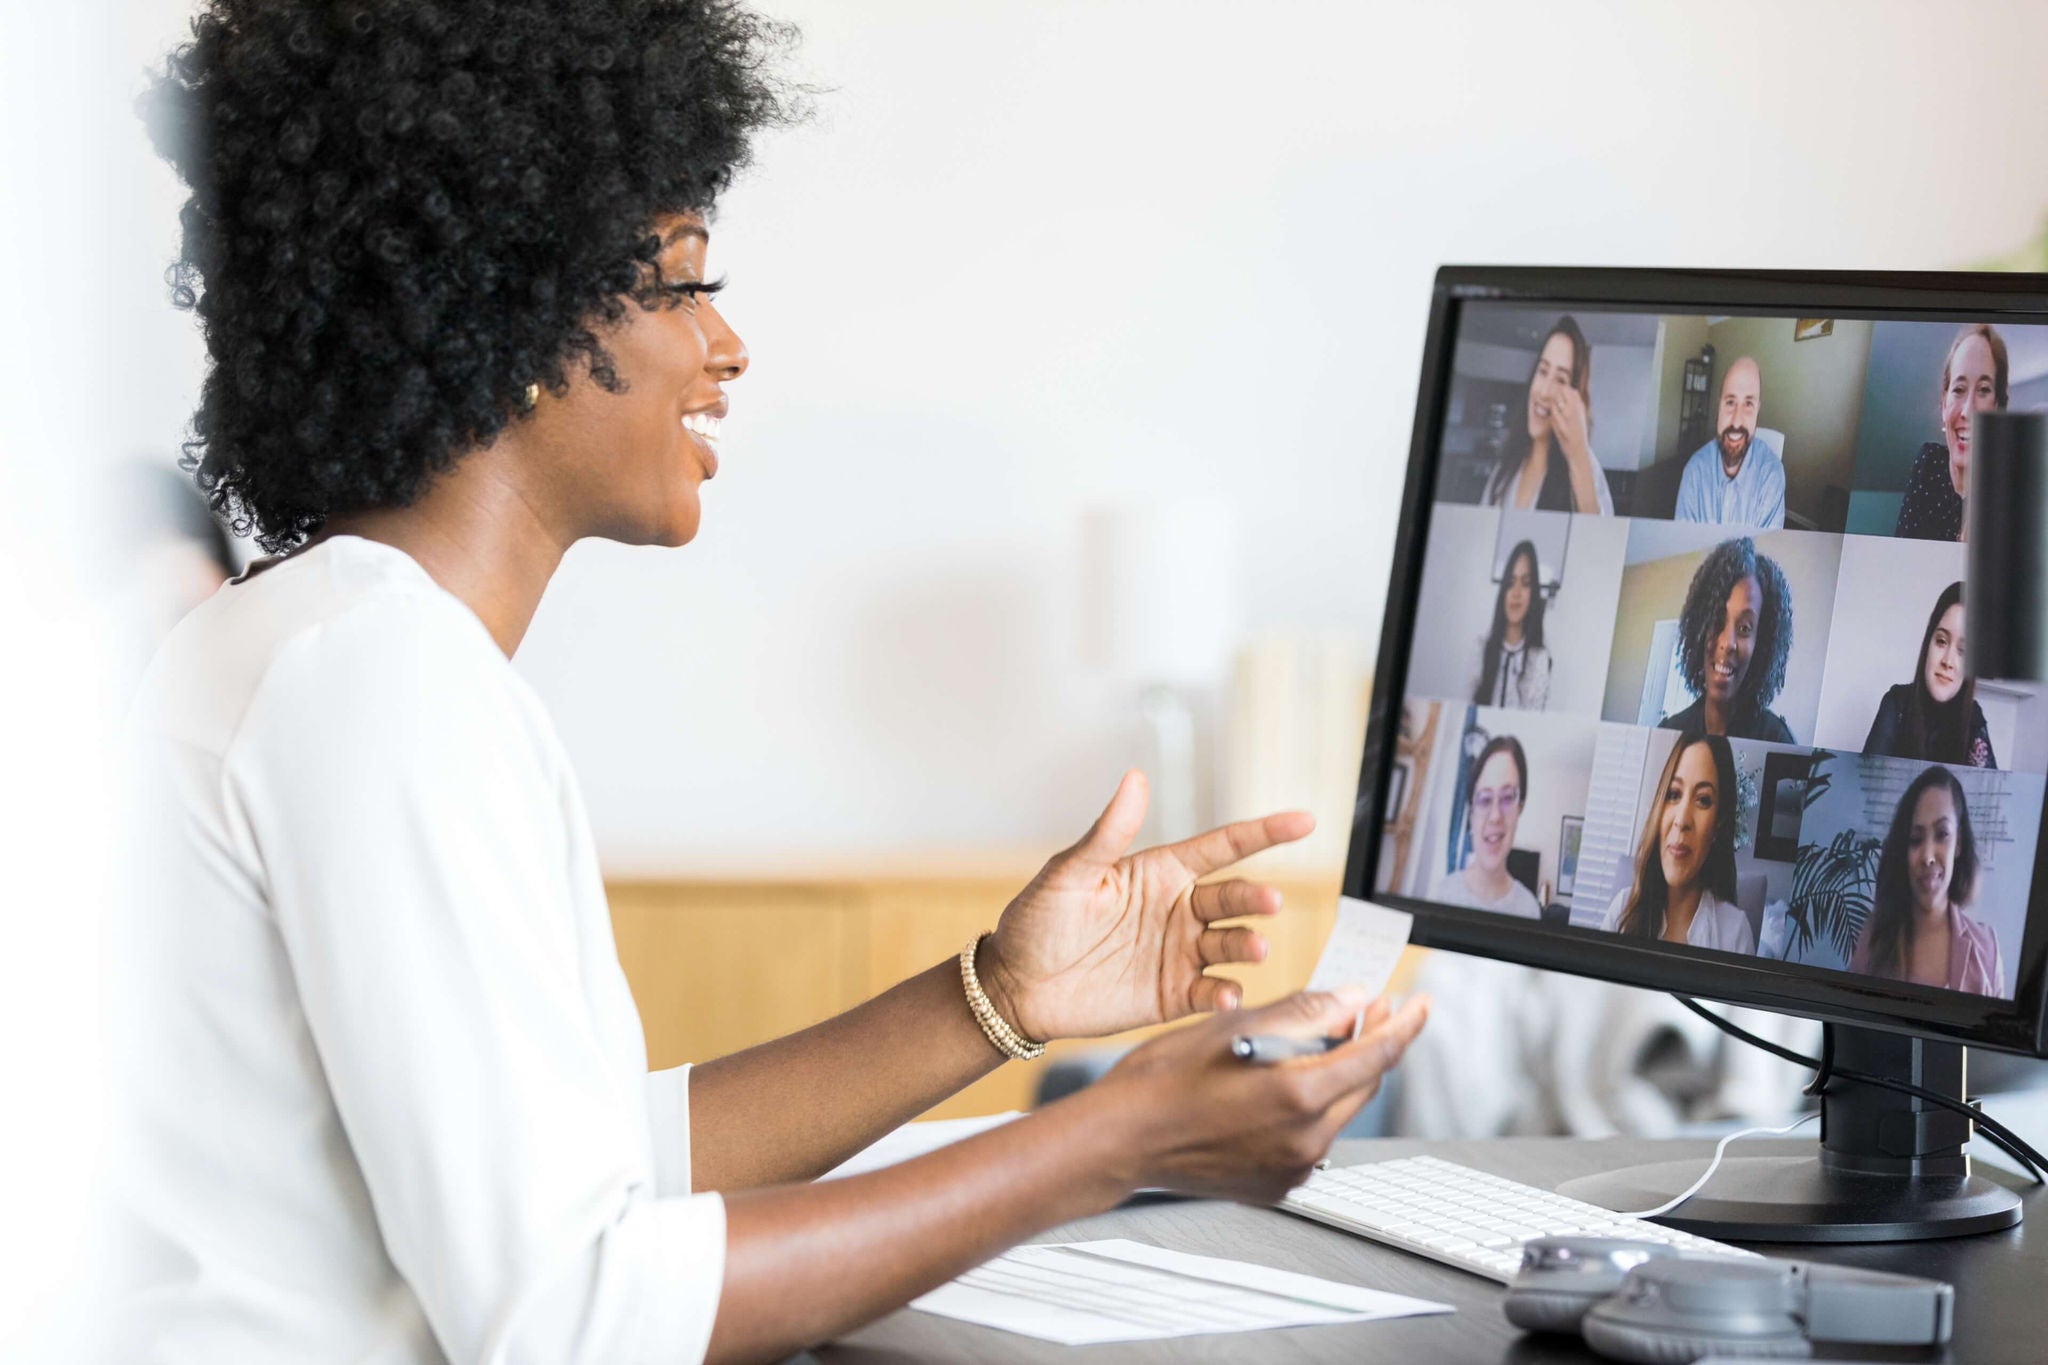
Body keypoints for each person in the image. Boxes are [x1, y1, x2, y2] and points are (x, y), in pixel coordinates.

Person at [120, 6, 1431, 1363]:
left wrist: (998, 995)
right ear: (517, 310)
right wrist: (1107, 1140)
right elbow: (574, 1311)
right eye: (684, 282)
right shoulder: (381, 688)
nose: (726, 346)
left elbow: (588, 1167)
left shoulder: (332, 649)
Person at [1849, 766, 2004, 995]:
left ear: (1958, 843)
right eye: (1915, 839)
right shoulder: (1874, 937)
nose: (1928, 857)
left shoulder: (1986, 946)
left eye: (1942, 834)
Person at [1602, 733, 1754, 953]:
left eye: (1703, 800)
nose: (1682, 820)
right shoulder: (1621, 911)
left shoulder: (1735, 932)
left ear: (1718, 824)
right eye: (1674, 794)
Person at [1658, 537, 1796, 742]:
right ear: (1700, 627)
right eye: (1717, 620)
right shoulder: (1669, 732)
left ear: (1761, 643)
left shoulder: (1777, 741)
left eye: (1744, 628)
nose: (1727, 643)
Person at [1480, 316, 1617, 515]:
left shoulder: (1586, 468)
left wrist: (1578, 455)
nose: (1543, 392)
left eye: (1561, 380)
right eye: (1542, 371)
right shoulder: (1506, 466)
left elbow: (1598, 541)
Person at [1862, 581, 1996, 768]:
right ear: (1928, 644)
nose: (1948, 661)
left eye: (1963, 651)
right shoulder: (1896, 704)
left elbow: (1990, 793)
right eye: (1941, 641)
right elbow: (1864, 786)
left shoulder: (1973, 718)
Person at [1895, 323, 2009, 542]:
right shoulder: (1929, 462)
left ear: (1997, 407)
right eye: (1958, 389)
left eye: (1984, 390)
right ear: (1944, 404)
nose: (1968, 411)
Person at [1426, 735, 1543, 918]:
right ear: (1471, 814)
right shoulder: (1441, 895)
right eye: (1484, 799)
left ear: (1519, 808)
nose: (1495, 816)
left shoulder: (1530, 910)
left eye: (1507, 798)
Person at [1673, 357, 1785, 529]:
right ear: (1719, 406)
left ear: (1757, 410)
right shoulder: (1694, 471)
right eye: (1730, 402)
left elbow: (1765, 551)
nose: (1736, 421)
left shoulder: (1771, 475)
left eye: (1748, 404)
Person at [1472, 539, 1552, 709]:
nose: (1516, 593)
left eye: (1525, 584)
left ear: (1534, 593)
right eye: (1510, 583)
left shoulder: (1540, 659)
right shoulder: (1480, 648)